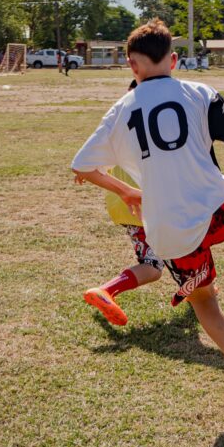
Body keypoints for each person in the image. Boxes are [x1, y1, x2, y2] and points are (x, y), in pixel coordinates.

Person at [71, 19, 224, 411]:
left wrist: (127, 190)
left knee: (204, 301)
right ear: (175, 60)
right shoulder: (199, 91)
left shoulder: (120, 109)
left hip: (169, 226)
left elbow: (81, 166)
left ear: (132, 65)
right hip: (213, 200)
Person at [79, 89, 166, 326]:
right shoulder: (157, 126)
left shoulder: (117, 126)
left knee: (172, 249)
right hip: (145, 205)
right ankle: (107, 290)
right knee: (153, 265)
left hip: (123, 208)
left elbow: (89, 162)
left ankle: (196, 286)